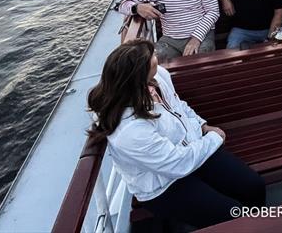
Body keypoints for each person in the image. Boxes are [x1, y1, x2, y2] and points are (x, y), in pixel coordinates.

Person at [87, 39, 265, 229]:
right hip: (163, 183)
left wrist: (203, 126)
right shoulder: (130, 130)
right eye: (153, 58)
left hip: (192, 148)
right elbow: (177, 164)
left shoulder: (159, 78)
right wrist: (214, 138)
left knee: (254, 186)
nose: (157, 57)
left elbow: (179, 106)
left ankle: (258, 225)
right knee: (232, 215)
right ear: (137, 76)